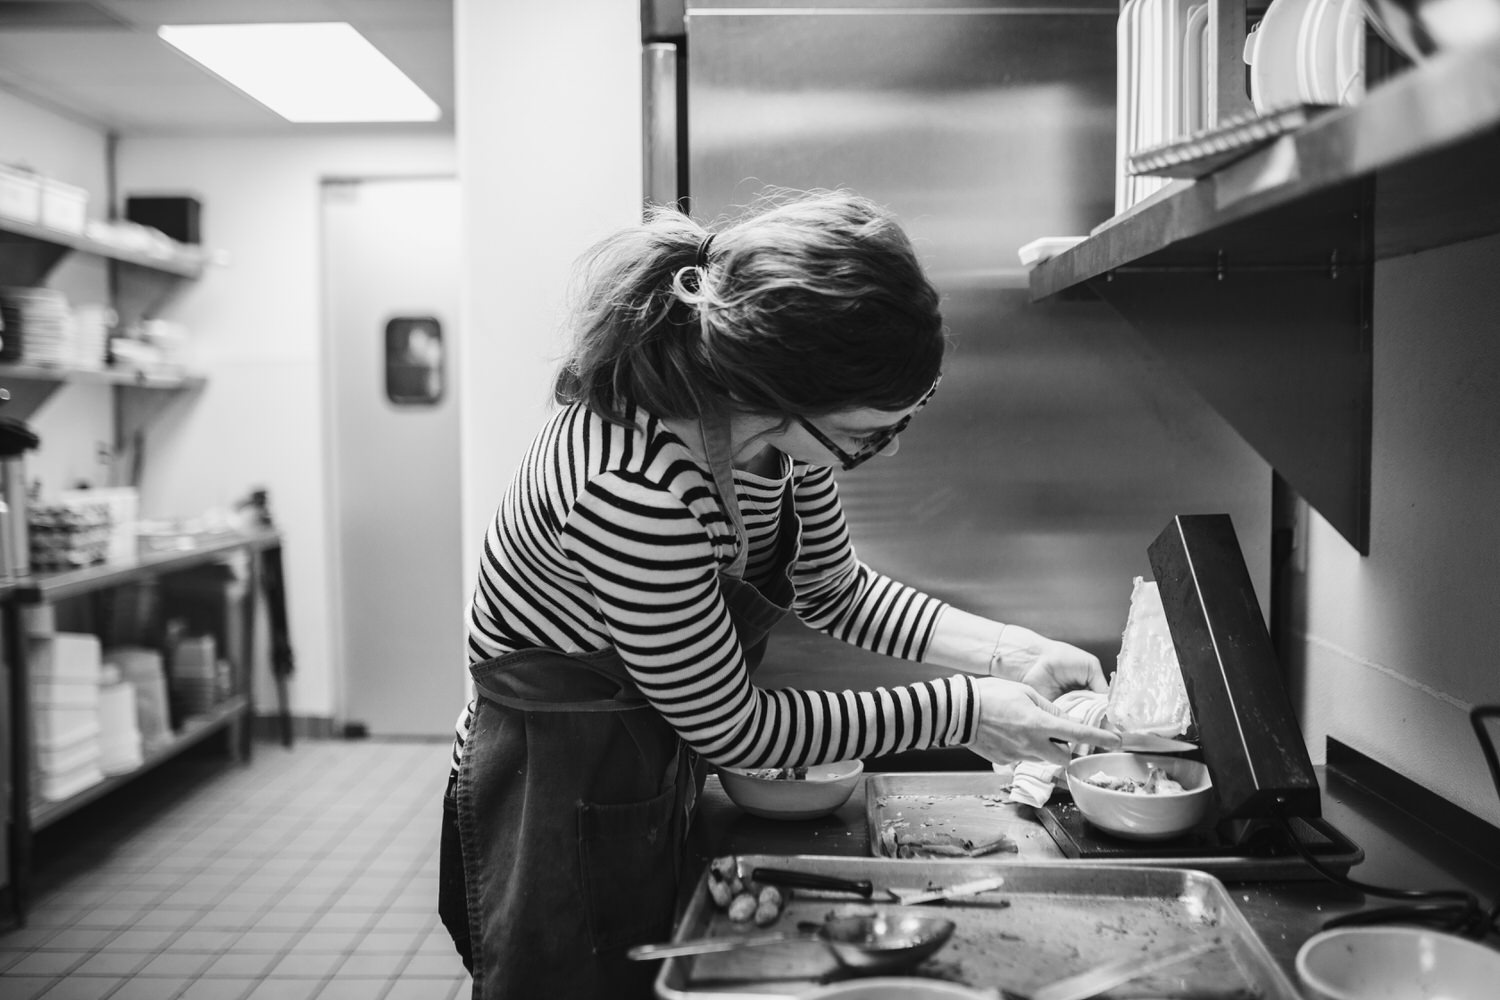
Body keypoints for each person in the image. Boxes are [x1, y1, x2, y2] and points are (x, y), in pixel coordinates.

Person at [438, 188, 1120, 999]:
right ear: (784, 390)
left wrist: (1017, 652)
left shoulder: (780, 439)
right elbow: (736, 728)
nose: (888, 451)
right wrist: (969, 709)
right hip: (548, 791)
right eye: (873, 434)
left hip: (643, 761)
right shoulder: (632, 488)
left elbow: (835, 589)